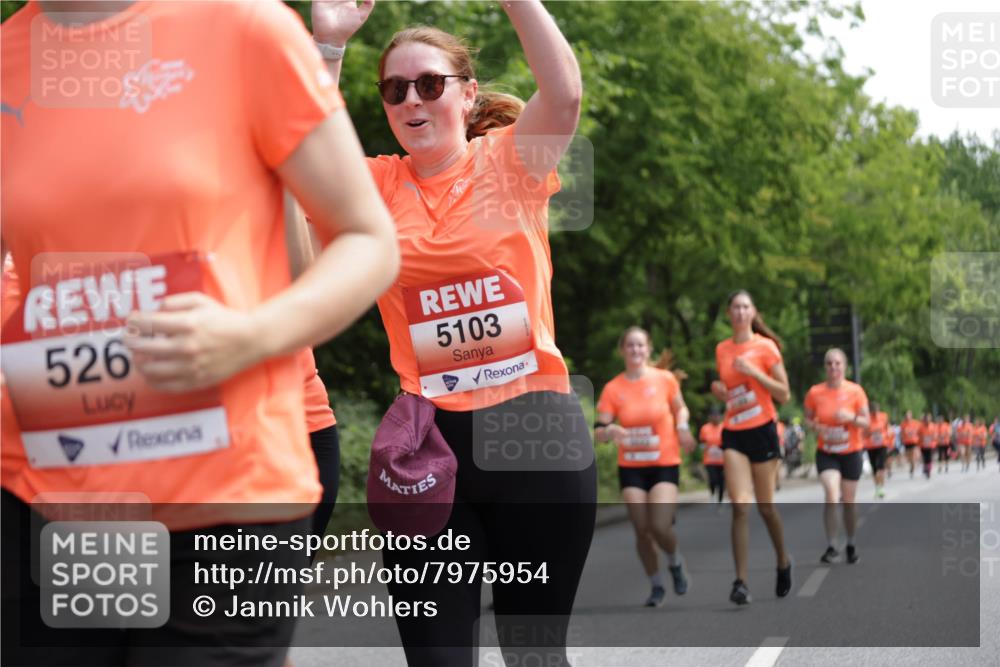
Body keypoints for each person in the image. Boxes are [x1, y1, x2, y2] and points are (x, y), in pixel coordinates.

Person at [0, 2, 399, 666]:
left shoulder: (243, 27)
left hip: (228, 492)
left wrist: (249, 334)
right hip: (57, 494)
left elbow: (367, 240)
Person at [308, 1, 595, 664]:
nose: (412, 99)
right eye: (394, 89)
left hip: (536, 441)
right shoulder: (375, 186)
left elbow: (566, 92)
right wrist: (328, 45)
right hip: (428, 447)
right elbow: (304, 148)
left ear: (467, 95)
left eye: (430, 84)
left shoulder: (511, 162)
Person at [596, 327, 696, 607]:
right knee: (641, 530)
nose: (636, 350)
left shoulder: (664, 380)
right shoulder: (613, 388)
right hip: (632, 467)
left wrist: (683, 427)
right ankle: (656, 585)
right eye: (630, 346)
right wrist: (610, 431)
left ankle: (675, 562)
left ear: (649, 349)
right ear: (622, 351)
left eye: (640, 345)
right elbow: (599, 429)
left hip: (664, 463)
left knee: (659, 526)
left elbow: (680, 409)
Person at [711, 290, 792, 606]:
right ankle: (741, 581)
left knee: (766, 507)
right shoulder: (722, 349)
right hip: (734, 432)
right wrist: (719, 391)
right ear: (729, 313)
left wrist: (755, 372)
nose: (741, 312)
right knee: (740, 506)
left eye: (746, 306)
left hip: (763, 431)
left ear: (753, 312)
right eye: (736, 307)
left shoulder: (766, 347)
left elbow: (784, 394)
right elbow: (731, 392)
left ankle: (783, 561)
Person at [803, 348, 870, 565]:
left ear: (845, 366)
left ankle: (850, 543)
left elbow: (866, 422)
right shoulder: (815, 392)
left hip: (851, 451)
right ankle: (832, 546)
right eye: (829, 363)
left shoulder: (856, 391)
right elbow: (807, 420)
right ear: (825, 367)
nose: (833, 367)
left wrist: (850, 417)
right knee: (831, 495)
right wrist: (816, 427)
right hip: (827, 452)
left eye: (837, 363)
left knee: (849, 501)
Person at [700, 406, 726, 504]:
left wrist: (721, 448)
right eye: (713, 416)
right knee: (713, 479)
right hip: (709, 460)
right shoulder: (705, 428)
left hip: (722, 460)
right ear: (710, 417)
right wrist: (707, 447)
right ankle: (712, 495)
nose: (715, 418)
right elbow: (702, 442)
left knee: (721, 481)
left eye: (717, 415)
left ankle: (720, 500)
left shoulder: (724, 427)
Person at [863, 400, 889, 499]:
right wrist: (871, 433)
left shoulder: (884, 416)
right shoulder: (867, 419)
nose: (874, 412)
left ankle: (881, 487)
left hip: (882, 444)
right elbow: (863, 433)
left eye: (876, 410)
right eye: (872, 410)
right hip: (871, 446)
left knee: (881, 467)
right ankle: (877, 487)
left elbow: (887, 428)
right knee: (874, 468)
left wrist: (887, 438)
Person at [901, 410, 922, 478]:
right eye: (906, 415)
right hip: (906, 442)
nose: (907, 417)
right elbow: (902, 433)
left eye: (908, 415)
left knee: (913, 455)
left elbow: (920, 431)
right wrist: (901, 440)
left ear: (911, 415)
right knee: (908, 457)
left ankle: (912, 466)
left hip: (914, 441)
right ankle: (911, 464)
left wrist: (920, 439)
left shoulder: (916, 423)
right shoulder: (903, 424)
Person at [919, 413, 938, 479]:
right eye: (926, 419)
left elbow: (935, 435)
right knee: (924, 458)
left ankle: (928, 470)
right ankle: (925, 467)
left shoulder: (933, 426)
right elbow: (918, 435)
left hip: (931, 445)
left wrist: (933, 438)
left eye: (928, 418)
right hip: (923, 445)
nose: (927, 420)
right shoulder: (921, 426)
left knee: (929, 458)